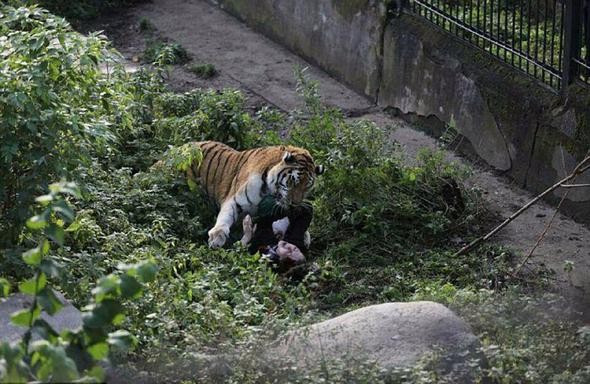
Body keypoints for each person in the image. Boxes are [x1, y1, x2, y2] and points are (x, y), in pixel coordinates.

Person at [240, 195, 313, 273]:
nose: (290, 247)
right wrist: (281, 213)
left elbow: (237, 255)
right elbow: (307, 209)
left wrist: (247, 236)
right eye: (296, 249)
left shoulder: (262, 255)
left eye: (289, 253)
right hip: (270, 205)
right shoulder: (294, 240)